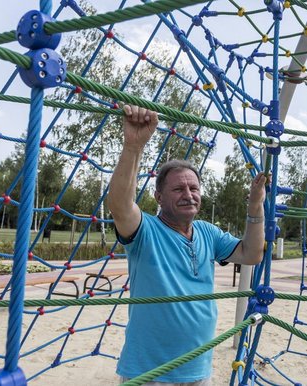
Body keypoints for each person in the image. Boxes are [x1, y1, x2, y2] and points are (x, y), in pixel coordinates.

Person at [108, 105, 267, 385]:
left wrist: (255, 205)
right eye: (178, 189)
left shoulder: (207, 232)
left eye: (193, 188)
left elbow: (251, 253)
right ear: (158, 196)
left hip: (198, 367)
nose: (188, 194)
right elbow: (120, 205)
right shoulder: (146, 230)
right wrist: (133, 147)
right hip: (149, 371)